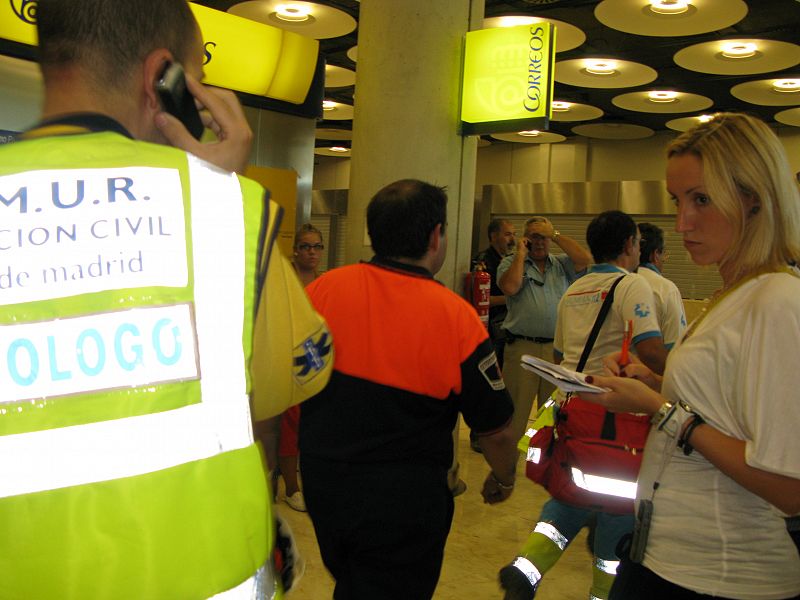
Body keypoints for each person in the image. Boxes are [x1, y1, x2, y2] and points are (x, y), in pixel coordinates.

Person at [0, 1, 332, 598]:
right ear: (163, 78)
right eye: (196, 73)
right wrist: (216, 181)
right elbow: (295, 375)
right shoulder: (228, 212)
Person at [585, 113, 800, 599]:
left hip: (723, 575)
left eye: (702, 199)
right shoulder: (737, 295)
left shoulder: (777, 301)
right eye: (678, 201)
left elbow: (789, 484)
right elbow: (728, 411)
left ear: (755, 199)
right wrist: (656, 384)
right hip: (670, 559)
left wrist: (661, 410)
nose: (682, 222)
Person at [299, 179, 518, 599]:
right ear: (436, 236)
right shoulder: (456, 317)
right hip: (404, 501)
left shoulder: (321, 291)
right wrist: (505, 478)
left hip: (326, 485)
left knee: (355, 581)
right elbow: (498, 430)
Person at [499, 210, 668, 600]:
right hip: (618, 416)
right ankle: (603, 594)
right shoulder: (632, 285)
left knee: (570, 495)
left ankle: (528, 567)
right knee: (617, 510)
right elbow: (650, 348)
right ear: (630, 245)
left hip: (573, 410)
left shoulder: (573, 290)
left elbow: (561, 353)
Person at [498, 216, 592, 442]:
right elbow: (510, 287)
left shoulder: (561, 264)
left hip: (555, 351)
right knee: (516, 413)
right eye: (534, 237)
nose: (540, 242)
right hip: (522, 348)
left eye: (544, 237)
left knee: (550, 413)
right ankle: (507, 469)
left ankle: (541, 462)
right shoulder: (510, 262)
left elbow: (585, 259)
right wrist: (521, 254)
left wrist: (555, 235)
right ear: (525, 240)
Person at [272, 223, 326, 512]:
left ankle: (304, 480)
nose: (312, 252)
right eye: (306, 246)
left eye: (317, 246)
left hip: (315, 358)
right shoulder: (283, 279)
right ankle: (291, 488)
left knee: (311, 423)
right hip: (285, 358)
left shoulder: (324, 281)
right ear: (295, 250)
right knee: (289, 424)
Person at [469, 218, 516, 452]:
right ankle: (479, 435)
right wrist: (512, 298)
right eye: (507, 234)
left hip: (508, 330)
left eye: (513, 234)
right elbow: (480, 297)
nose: (512, 239)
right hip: (489, 329)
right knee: (487, 384)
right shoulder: (483, 262)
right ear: (493, 236)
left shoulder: (512, 261)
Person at [637, 222, 687, 349]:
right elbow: (676, 345)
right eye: (663, 253)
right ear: (655, 254)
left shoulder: (617, 282)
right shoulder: (665, 289)